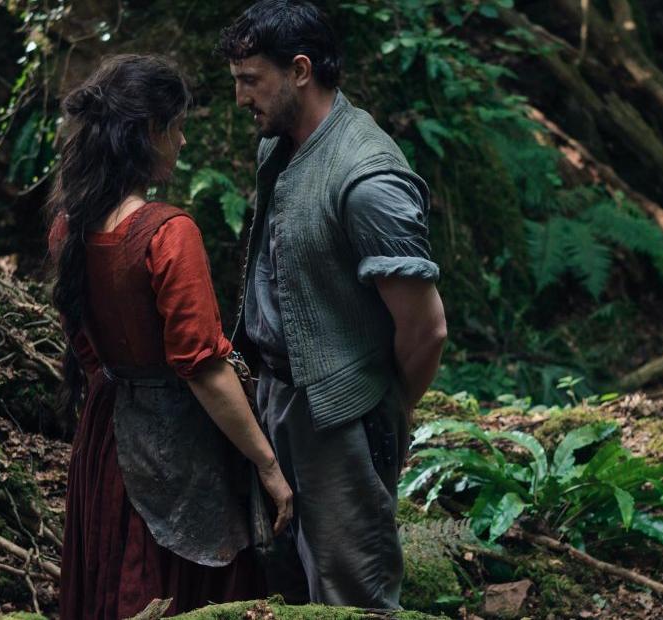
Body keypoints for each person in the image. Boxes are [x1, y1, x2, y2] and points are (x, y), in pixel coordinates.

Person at [218, 1, 448, 609]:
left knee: (352, 594)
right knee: (286, 583)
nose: (240, 98)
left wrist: (381, 409)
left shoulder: (367, 180)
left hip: (341, 419)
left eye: (250, 80)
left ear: (300, 71)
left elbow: (427, 329)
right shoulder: (280, 144)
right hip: (276, 398)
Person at [47, 54, 293, 619]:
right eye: (176, 127)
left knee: (113, 572)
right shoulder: (168, 233)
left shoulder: (69, 223)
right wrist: (267, 464)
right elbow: (202, 366)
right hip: (178, 444)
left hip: (107, 435)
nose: (182, 141)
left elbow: (83, 341)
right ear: (148, 132)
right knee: (174, 588)